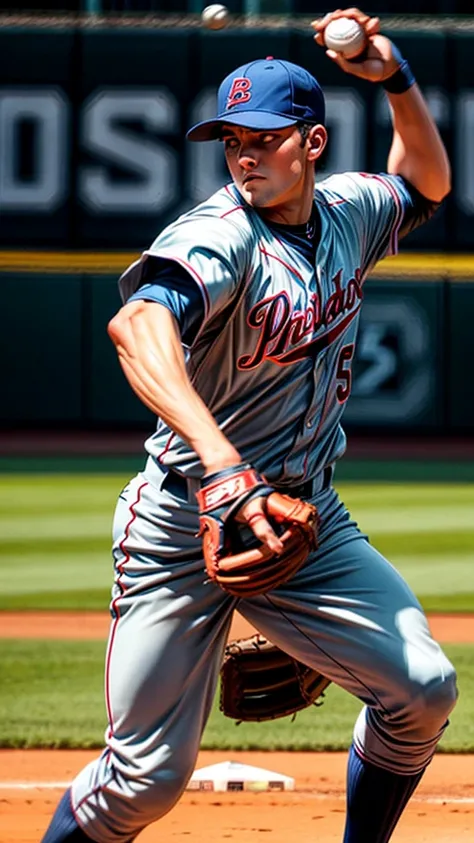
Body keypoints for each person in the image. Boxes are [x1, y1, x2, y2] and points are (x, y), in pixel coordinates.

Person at [42, 8, 457, 843]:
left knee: (424, 688)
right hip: (183, 519)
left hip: (303, 517)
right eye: (232, 139)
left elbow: (425, 184)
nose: (244, 154)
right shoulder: (218, 235)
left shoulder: (348, 214)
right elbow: (137, 327)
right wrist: (222, 460)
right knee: (142, 784)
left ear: (312, 142)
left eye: (263, 138)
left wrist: (397, 79)